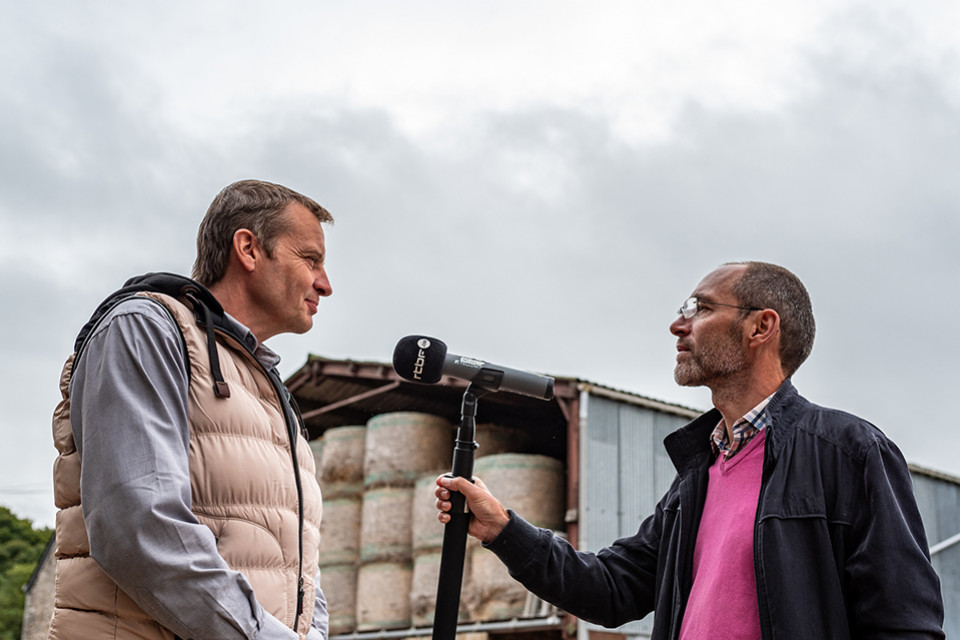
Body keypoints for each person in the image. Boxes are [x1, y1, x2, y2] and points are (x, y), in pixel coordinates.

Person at [436, 261, 945, 639]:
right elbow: (614, 588)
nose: (678, 325)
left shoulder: (848, 451)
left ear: (760, 328)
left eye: (699, 308)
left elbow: (905, 624)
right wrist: (503, 529)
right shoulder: (697, 476)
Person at [51, 180, 334, 639]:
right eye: (311, 259)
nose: (325, 284)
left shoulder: (267, 388)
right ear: (248, 249)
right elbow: (140, 527)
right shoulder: (145, 329)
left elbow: (299, 563)